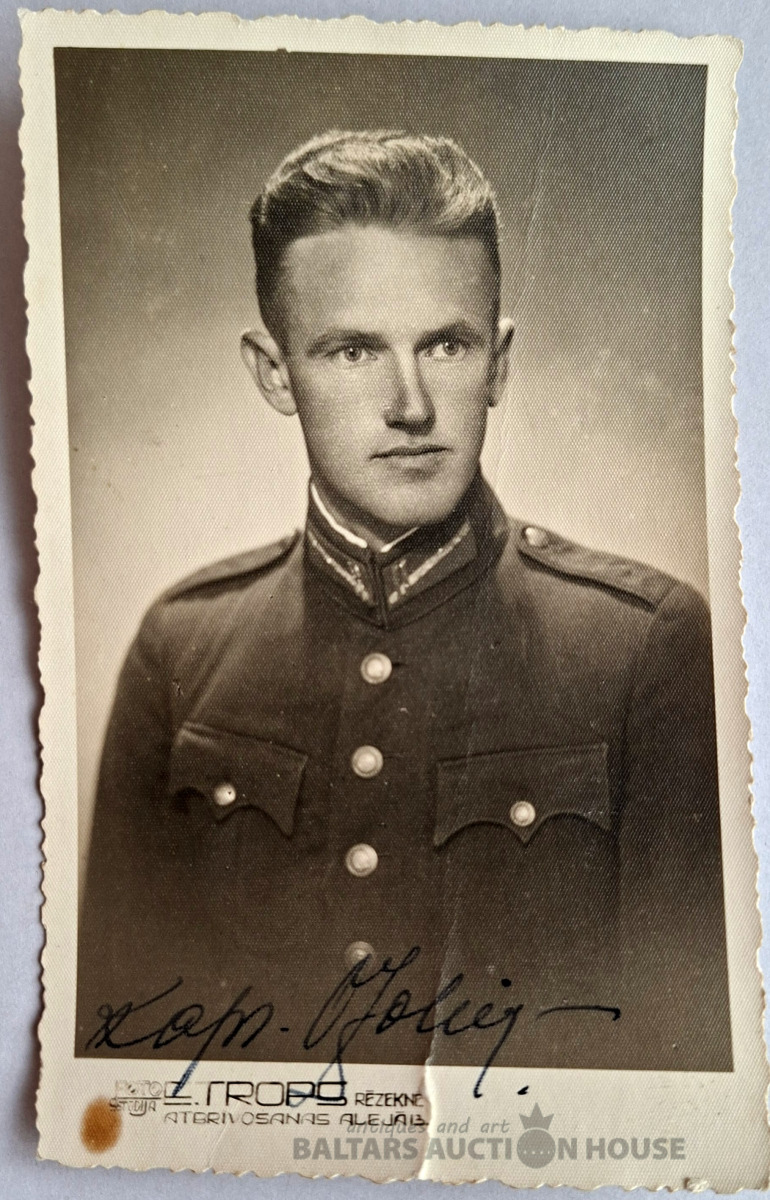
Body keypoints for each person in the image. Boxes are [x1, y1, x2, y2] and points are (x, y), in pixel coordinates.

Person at [76, 130, 731, 1071]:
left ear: (498, 363)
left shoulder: (642, 649)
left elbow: (684, 1076)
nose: (411, 404)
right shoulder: (181, 648)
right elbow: (116, 1066)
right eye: (352, 351)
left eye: (447, 344)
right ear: (274, 374)